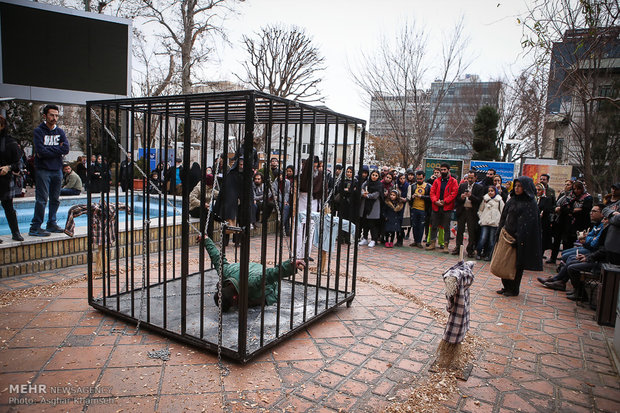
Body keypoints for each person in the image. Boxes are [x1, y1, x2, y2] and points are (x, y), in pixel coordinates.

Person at [201, 236, 305, 312]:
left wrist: (290, 265)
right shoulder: (225, 272)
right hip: (250, 269)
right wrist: (206, 240)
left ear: (234, 298)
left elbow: (270, 274)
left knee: (251, 301)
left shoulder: (252, 283)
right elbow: (216, 257)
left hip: (260, 277)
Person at [496, 176, 543, 297]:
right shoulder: (512, 200)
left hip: (519, 239)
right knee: (504, 262)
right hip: (506, 235)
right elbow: (504, 216)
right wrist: (500, 231)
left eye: (520, 186)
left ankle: (513, 288)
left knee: (516, 265)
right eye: (515, 186)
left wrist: (519, 238)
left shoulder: (530, 203)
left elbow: (529, 224)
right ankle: (506, 286)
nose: (517, 188)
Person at [29, 104, 70, 237]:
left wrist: (49, 151)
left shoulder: (60, 132)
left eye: (56, 115)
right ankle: (35, 227)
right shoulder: (39, 131)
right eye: (52, 115)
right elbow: (40, 151)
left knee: (55, 199)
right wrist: (57, 150)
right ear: (45, 116)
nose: (54, 118)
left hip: (57, 169)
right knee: (41, 199)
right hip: (43, 170)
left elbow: (66, 149)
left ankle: (51, 223)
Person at [0, 115, 24, 242]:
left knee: (8, 207)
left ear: (3, 126)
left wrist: (8, 167)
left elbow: (18, 164)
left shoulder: (11, 142)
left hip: (5, 178)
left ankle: (15, 232)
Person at [427, 163, 458, 252]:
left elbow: (454, 193)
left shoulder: (453, 181)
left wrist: (445, 201)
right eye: (442, 170)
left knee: (446, 227)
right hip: (436, 206)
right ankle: (432, 243)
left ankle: (445, 245)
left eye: (444, 170)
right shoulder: (437, 181)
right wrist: (435, 201)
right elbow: (432, 192)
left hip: (447, 207)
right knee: (433, 226)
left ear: (448, 170)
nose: (443, 171)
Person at [453, 170, 483, 257]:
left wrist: (470, 196)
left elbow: (479, 200)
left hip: (472, 211)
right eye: (468, 178)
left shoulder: (479, 187)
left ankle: (470, 249)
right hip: (462, 210)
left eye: (471, 178)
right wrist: (462, 197)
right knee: (460, 230)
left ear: (475, 178)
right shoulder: (462, 186)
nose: (469, 179)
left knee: (471, 231)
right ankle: (458, 247)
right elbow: (457, 198)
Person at [476, 185, 504, 260]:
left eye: (492, 191)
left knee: (492, 240)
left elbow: (503, 211)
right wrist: (481, 217)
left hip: (494, 223)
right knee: (483, 238)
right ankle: (478, 252)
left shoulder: (499, 200)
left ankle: (489, 255)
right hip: (485, 222)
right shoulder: (485, 199)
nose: (490, 192)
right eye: (489, 191)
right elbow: (480, 210)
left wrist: (499, 220)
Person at [358, 170, 382, 247]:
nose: (374, 177)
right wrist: (363, 193)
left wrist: (368, 196)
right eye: (373, 175)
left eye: (376, 175)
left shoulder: (379, 185)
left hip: (373, 206)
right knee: (365, 223)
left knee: (372, 224)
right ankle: (365, 238)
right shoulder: (366, 182)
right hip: (365, 205)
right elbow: (361, 188)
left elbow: (377, 194)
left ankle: (373, 239)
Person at [407, 170, 431, 248]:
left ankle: (419, 241)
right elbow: (409, 197)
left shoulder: (428, 186)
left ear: (424, 178)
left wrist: (421, 196)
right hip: (414, 208)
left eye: (420, 179)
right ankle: (415, 240)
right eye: (417, 179)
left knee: (421, 226)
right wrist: (412, 197)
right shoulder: (413, 186)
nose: (419, 180)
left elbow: (430, 197)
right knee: (414, 225)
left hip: (423, 209)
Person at [536, 183, 554, 256]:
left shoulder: (547, 199)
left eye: (539, 190)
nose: (537, 191)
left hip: (543, 222)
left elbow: (547, 209)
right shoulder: (533, 198)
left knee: (542, 240)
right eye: (536, 190)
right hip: (534, 222)